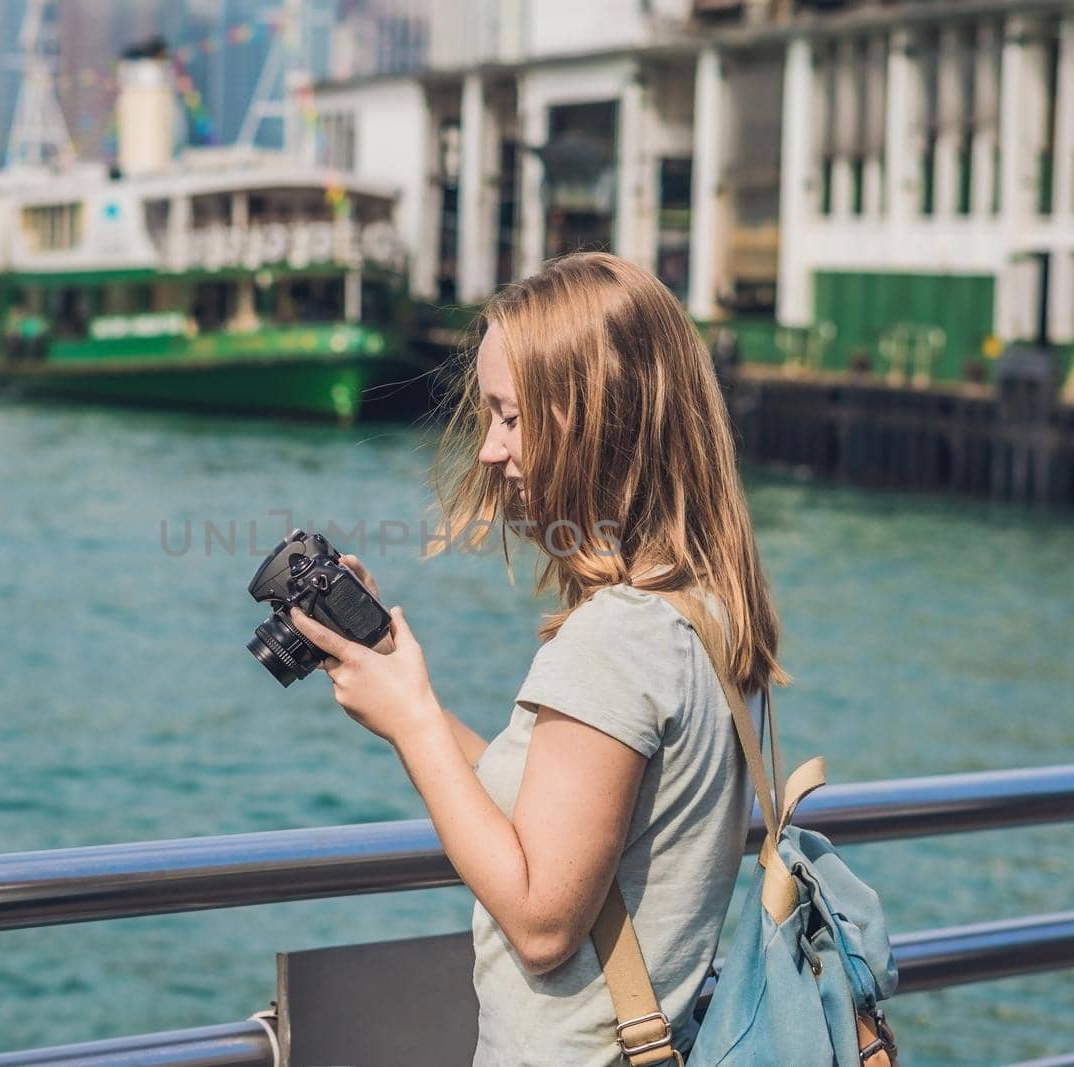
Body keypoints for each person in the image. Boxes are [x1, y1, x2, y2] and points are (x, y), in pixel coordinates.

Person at [289, 251, 786, 1066]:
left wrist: (413, 725)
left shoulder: (614, 639)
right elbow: (559, 819)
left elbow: (544, 918)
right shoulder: (701, 614)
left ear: (602, 420)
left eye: (510, 417)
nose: (488, 450)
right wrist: (402, 684)